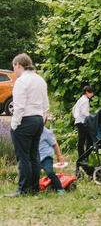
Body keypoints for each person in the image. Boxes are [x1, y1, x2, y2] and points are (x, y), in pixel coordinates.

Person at [7, 53, 48, 197]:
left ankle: (23, 189)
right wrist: (42, 120)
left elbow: (19, 106)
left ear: (18, 65)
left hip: (25, 120)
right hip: (38, 119)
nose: (14, 71)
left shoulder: (21, 81)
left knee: (23, 156)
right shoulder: (40, 80)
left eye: (14, 68)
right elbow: (45, 104)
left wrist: (14, 124)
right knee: (34, 155)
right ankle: (34, 188)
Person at [38, 126, 66, 192]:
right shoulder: (33, 132)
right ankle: (36, 188)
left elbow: (55, 144)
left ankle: (60, 188)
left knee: (49, 172)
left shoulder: (47, 132)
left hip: (46, 157)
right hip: (37, 157)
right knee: (34, 173)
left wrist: (59, 156)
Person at [72, 85, 96, 160]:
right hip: (83, 121)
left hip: (79, 121)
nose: (92, 94)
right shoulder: (85, 100)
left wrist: (76, 116)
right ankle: (83, 156)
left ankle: (83, 156)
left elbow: (74, 109)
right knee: (87, 140)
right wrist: (92, 116)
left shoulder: (80, 99)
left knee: (82, 140)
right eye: (91, 92)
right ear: (86, 92)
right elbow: (84, 112)